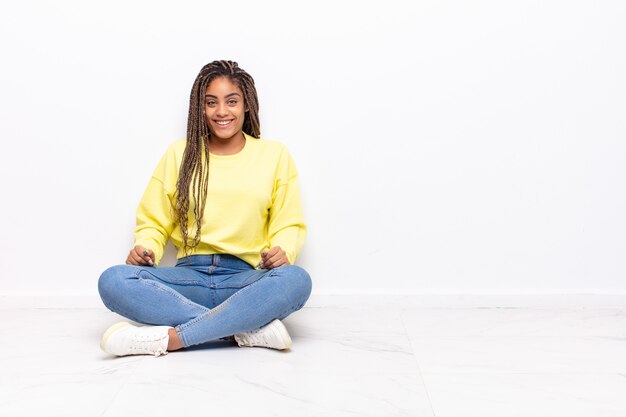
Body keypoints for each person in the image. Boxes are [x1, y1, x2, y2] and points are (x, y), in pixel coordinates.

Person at [97, 60, 312, 357]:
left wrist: (283, 250)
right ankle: (242, 328)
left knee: (297, 280)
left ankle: (173, 339)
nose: (222, 111)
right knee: (113, 280)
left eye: (232, 101)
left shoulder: (274, 155)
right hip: (188, 278)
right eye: (211, 103)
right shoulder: (180, 153)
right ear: (201, 107)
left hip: (244, 281)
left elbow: (289, 222)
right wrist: (145, 247)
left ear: (247, 105)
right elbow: (154, 220)